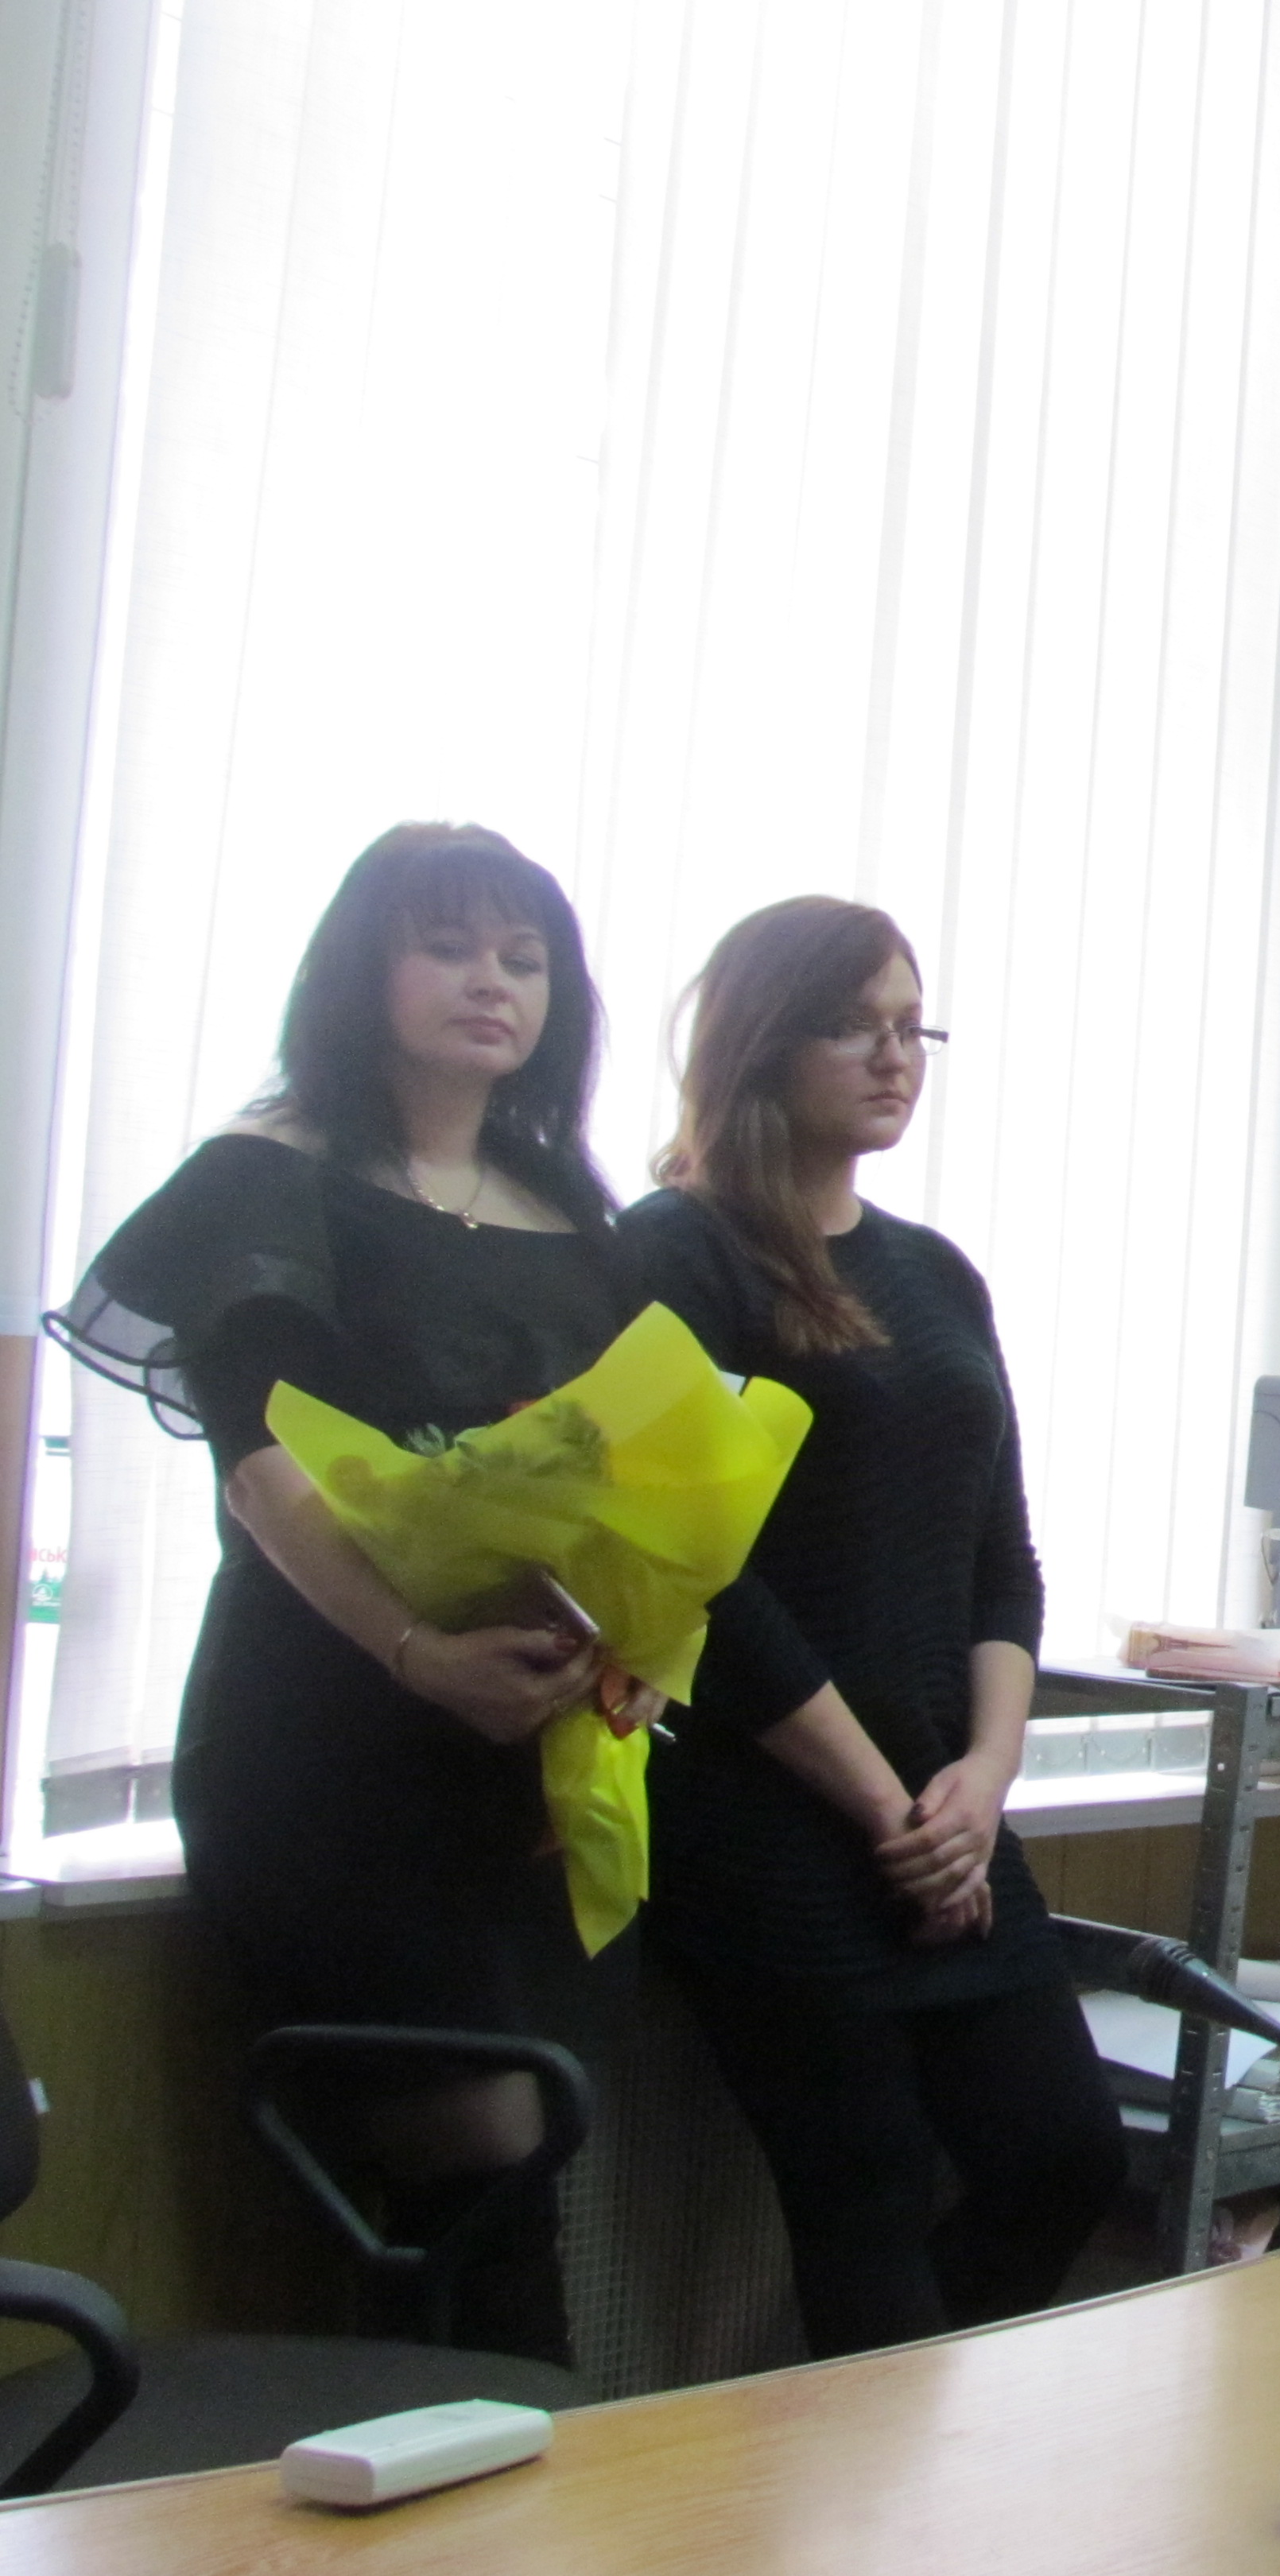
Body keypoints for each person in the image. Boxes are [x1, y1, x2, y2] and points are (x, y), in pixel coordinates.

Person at [45, 823, 637, 2364]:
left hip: (516, 1757)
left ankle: (468, 2468)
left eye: (523, 958)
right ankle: (521, 2469)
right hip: (321, 1741)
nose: (491, 981)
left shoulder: (564, 1205)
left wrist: (625, 1645)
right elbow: (263, 1470)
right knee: (486, 2159)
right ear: (362, 972)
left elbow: (618, 1475)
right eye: (448, 946)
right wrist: (415, 1651)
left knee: (509, 2169)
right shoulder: (272, 1169)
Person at [619, 898, 1121, 2359]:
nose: (897, 1057)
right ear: (762, 1043)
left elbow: (1001, 1560)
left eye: (914, 1027)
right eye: (855, 1027)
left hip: (947, 1805)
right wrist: (887, 1809)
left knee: (1064, 2158)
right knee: (870, 2195)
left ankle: (846, 2443)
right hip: (768, 1812)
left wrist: (985, 1781)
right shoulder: (673, 1252)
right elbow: (701, 1578)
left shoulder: (938, 1273)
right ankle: (863, 2467)